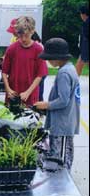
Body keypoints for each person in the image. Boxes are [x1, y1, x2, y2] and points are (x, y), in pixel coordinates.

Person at [34, 38, 80, 171]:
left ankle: (63, 183)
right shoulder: (70, 68)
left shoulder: (64, 73)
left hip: (62, 124)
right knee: (62, 154)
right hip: (65, 121)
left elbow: (63, 100)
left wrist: (46, 105)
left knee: (60, 159)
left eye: (49, 58)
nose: (48, 61)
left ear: (57, 58)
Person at [2, 16, 48, 106]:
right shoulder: (11, 49)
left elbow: (40, 75)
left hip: (30, 95)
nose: (23, 39)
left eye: (26, 35)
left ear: (32, 32)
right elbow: (4, 72)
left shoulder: (38, 49)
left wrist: (28, 92)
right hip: (13, 94)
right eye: (20, 35)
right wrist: (8, 89)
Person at [76, 4, 89, 76]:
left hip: (86, 50)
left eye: (80, 13)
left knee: (79, 65)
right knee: (79, 64)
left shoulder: (86, 23)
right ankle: (74, 83)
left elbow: (86, 37)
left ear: (83, 14)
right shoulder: (86, 22)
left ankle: (74, 83)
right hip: (84, 50)